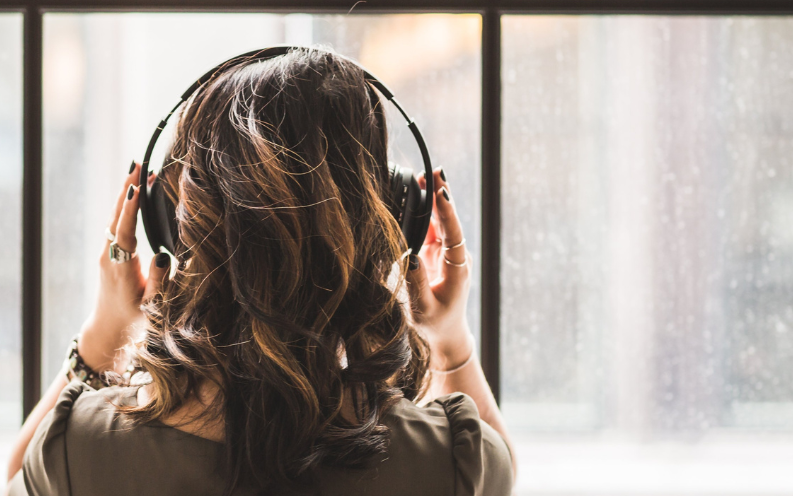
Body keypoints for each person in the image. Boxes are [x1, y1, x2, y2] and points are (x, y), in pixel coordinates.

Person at [5, 46, 515, 496]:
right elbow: (500, 476)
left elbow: (16, 482)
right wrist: (451, 341)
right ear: (395, 218)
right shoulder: (453, 459)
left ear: (168, 224)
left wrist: (102, 337)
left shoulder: (80, 449)